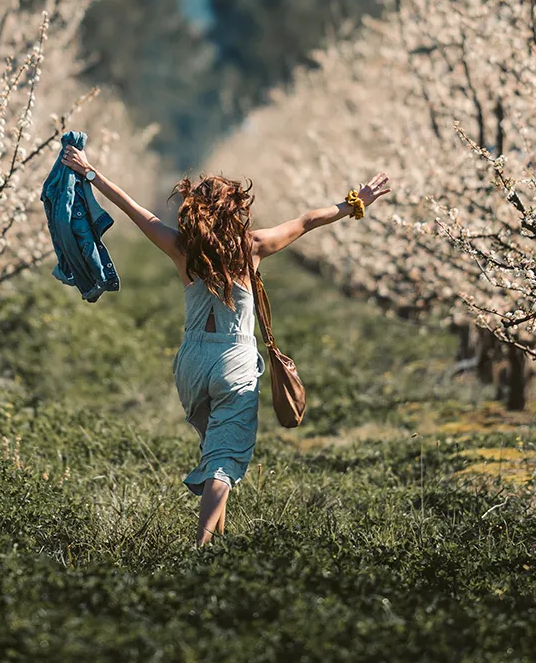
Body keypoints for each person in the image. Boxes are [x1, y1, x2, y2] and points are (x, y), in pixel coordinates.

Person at [60, 143, 391, 545]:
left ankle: (216, 538)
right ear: (234, 210)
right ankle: (200, 547)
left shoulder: (181, 248)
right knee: (224, 459)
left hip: (193, 361)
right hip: (234, 359)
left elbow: (134, 209)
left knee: (215, 449)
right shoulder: (251, 247)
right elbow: (306, 221)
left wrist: (90, 173)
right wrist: (356, 203)